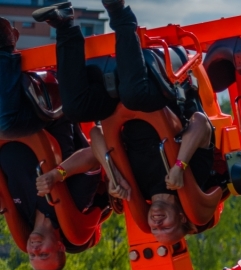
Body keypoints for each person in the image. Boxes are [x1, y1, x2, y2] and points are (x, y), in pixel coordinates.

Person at [34, 1, 227, 244]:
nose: (156, 224)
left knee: (75, 109)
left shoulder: (137, 188)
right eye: (165, 227)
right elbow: (200, 123)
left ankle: (64, 24)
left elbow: (96, 135)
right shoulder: (195, 177)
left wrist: (113, 173)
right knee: (134, 95)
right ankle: (119, 11)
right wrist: (179, 165)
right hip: (161, 98)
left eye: (155, 230)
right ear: (180, 216)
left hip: (118, 109)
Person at [0, 18, 107, 270]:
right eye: (44, 253)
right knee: (7, 121)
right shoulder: (75, 205)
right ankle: (5, 43)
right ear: (60, 246)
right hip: (46, 113)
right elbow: (94, 156)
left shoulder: (22, 215)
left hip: (14, 123)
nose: (34, 248)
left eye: (33, 255)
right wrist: (57, 174)